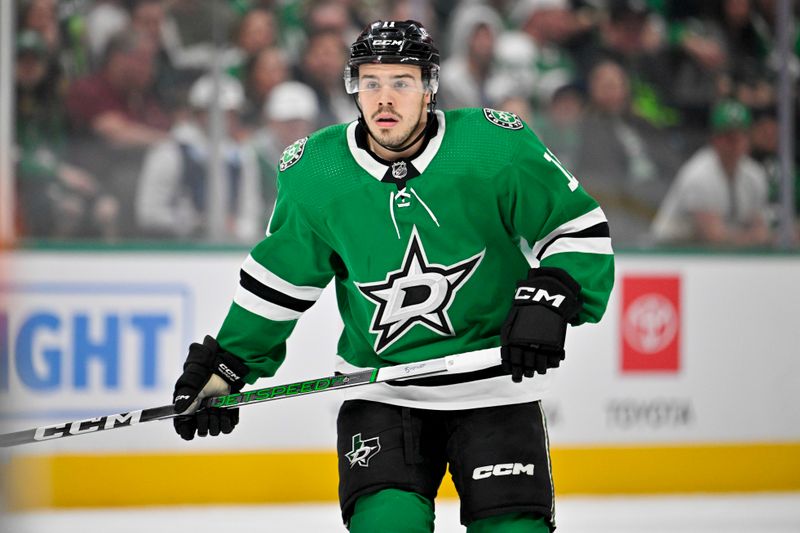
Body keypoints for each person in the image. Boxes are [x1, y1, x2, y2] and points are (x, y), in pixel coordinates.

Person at [171, 20, 614, 533]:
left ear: (429, 87)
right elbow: (278, 282)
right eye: (371, 82)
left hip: (495, 390)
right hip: (382, 394)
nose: (385, 99)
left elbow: (576, 227)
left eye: (402, 82)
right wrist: (226, 366)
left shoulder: (492, 147)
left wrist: (553, 294)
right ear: (354, 88)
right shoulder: (317, 173)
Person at [136, 74, 263, 241]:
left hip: (227, 248)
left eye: (231, 114)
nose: (225, 120)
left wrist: (236, 228)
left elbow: (251, 213)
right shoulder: (170, 151)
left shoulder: (242, 155)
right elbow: (148, 213)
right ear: (198, 113)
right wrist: (194, 224)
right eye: (216, 113)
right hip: (175, 249)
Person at [651, 99, 773, 247]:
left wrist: (759, 235)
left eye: (741, 136)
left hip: (712, 257)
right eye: (729, 137)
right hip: (670, 254)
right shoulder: (699, 174)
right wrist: (753, 237)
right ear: (715, 139)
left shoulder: (754, 175)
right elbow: (713, 236)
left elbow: (761, 228)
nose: (736, 143)